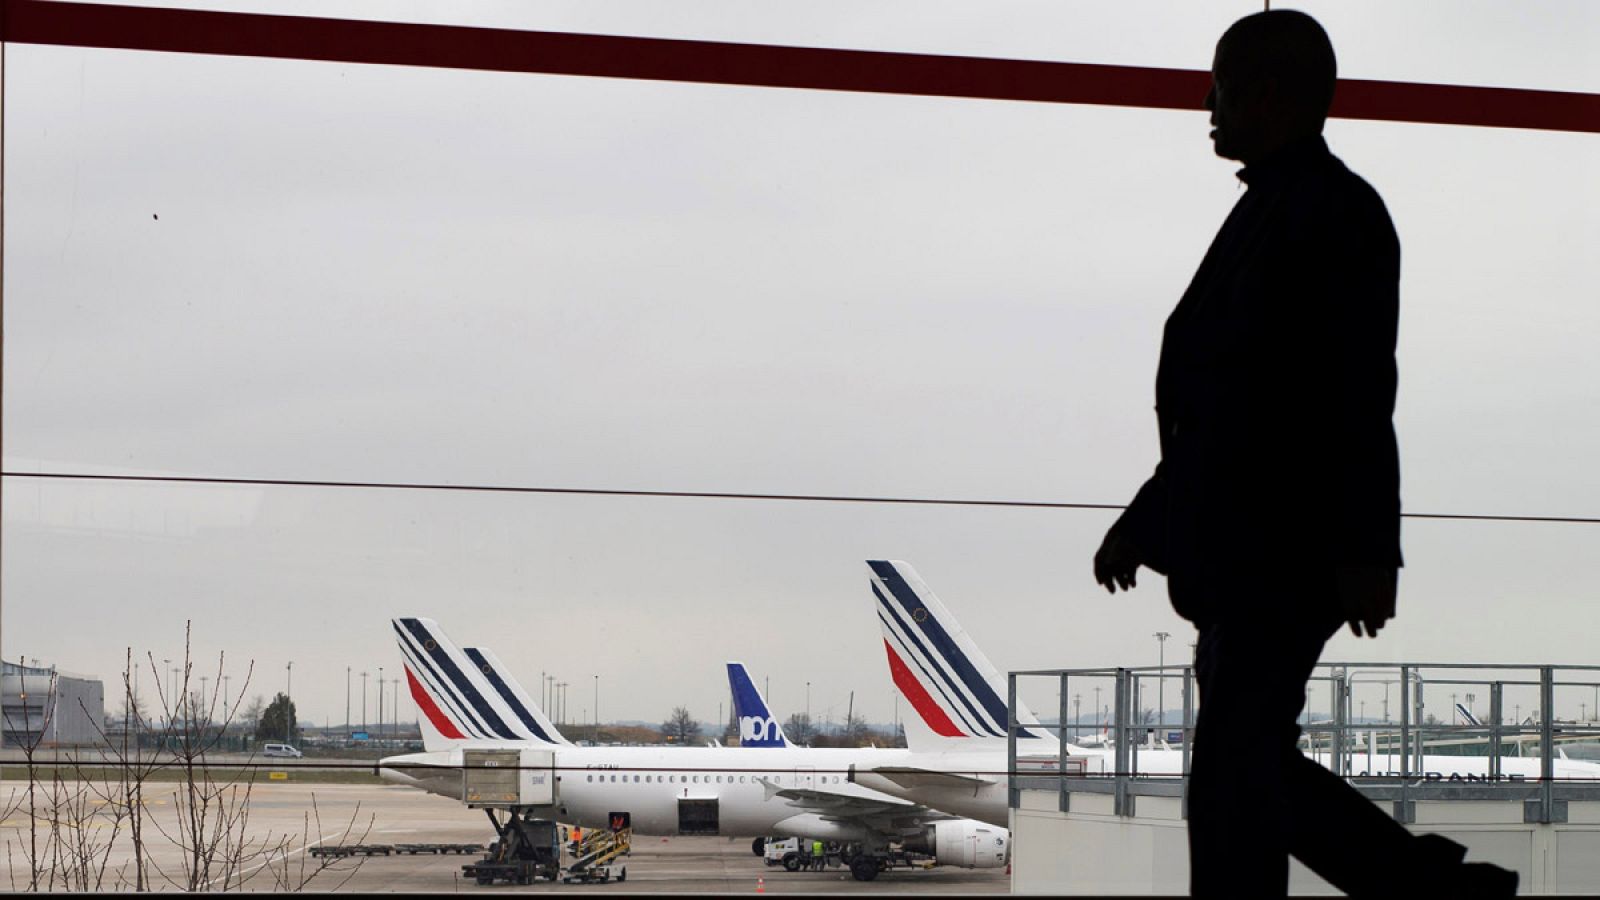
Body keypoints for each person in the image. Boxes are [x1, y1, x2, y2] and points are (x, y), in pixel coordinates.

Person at [1092, 10, 1517, 899]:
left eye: (1221, 83)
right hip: (1251, 554)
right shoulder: (1280, 210)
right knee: (1244, 781)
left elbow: (1353, 393)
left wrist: (1364, 548)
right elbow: (1227, 406)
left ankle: (1435, 890)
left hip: (1279, 553)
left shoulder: (1326, 213)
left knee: (1232, 787)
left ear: (1270, 95)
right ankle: (1434, 889)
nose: (1206, 102)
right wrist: (1146, 521)